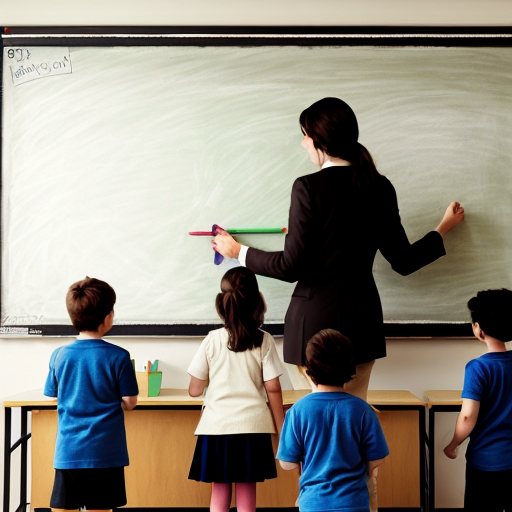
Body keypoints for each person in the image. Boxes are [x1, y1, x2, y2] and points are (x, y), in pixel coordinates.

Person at [213, 96, 465, 398]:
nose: (304, 143)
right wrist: (442, 229)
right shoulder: (379, 186)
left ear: (320, 139)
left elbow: (291, 266)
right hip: (362, 327)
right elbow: (404, 260)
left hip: (311, 329)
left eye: (305, 135)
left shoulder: (307, 187)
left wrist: (237, 251)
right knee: (351, 422)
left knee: (315, 426)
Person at [187, 266, 285, 512]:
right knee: (246, 489)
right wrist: (282, 429)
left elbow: (195, 390)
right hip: (253, 428)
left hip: (217, 427)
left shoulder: (212, 339)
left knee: (220, 488)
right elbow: (273, 388)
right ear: (256, 302)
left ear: (222, 304)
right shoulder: (264, 340)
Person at [44, 277, 139, 512]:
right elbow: (130, 402)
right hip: (106, 453)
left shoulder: (59, 355)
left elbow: (52, 395)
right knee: (100, 509)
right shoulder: (119, 356)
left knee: (65, 509)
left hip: (69, 451)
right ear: (108, 317)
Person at [277, 328, 389, 512]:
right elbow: (378, 456)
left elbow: (287, 463)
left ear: (308, 371)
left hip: (313, 503)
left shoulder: (297, 411)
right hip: (354, 503)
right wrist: (367, 470)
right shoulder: (362, 409)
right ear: (351, 370)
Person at [444, 288, 512, 512]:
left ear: (478, 329)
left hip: (487, 464)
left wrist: (453, 445)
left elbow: (467, 416)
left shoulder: (479, 367)